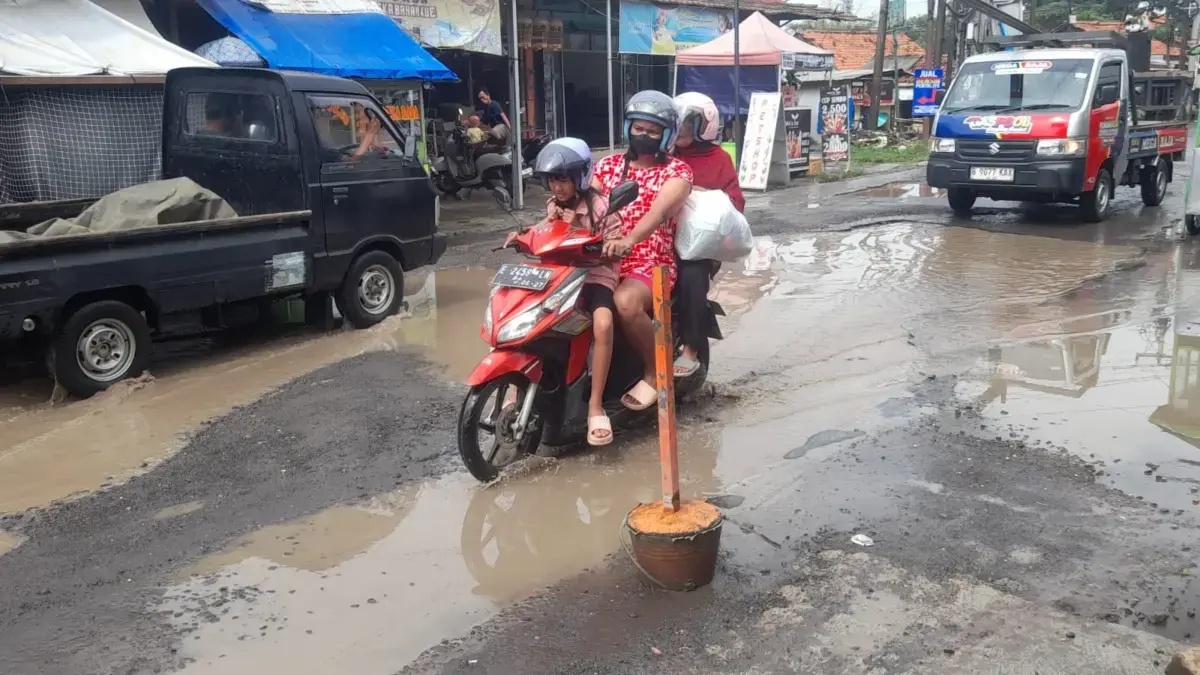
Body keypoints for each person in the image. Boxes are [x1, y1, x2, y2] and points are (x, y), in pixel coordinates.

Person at [592, 90, 693, 411]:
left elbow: (659, 213)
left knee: (625, 303)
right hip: (600, 258)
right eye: (639, 128)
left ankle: (655, 372)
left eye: (653, 131)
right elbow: (587, 202)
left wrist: (629, 240)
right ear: (628, 128)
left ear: (667, 135)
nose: (644, 136)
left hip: (650, 261)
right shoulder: (607, 166)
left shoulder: (677, 172)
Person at [532, 138, 623, 445]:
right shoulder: (553, 205)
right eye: (553, 181)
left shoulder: (600, 207)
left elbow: (615, 247)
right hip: (563, 276)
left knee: (603, 324)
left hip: (596, 276)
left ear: (580, 177)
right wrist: (524, 235)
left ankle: (595, 406)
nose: (557, 188)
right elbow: (543, 232)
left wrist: (581, 231)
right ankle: (519, 388)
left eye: (564, 180)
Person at [671, 91, 744, 377]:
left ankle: (690, 347)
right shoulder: (663, 157)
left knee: (691, 275)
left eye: (687, 124)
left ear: (705, 125)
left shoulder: (719, 159)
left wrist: (705, 198)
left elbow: (736, 204)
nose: (679, 131)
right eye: (675, 124)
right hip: (659, 238)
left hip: (699, 246)